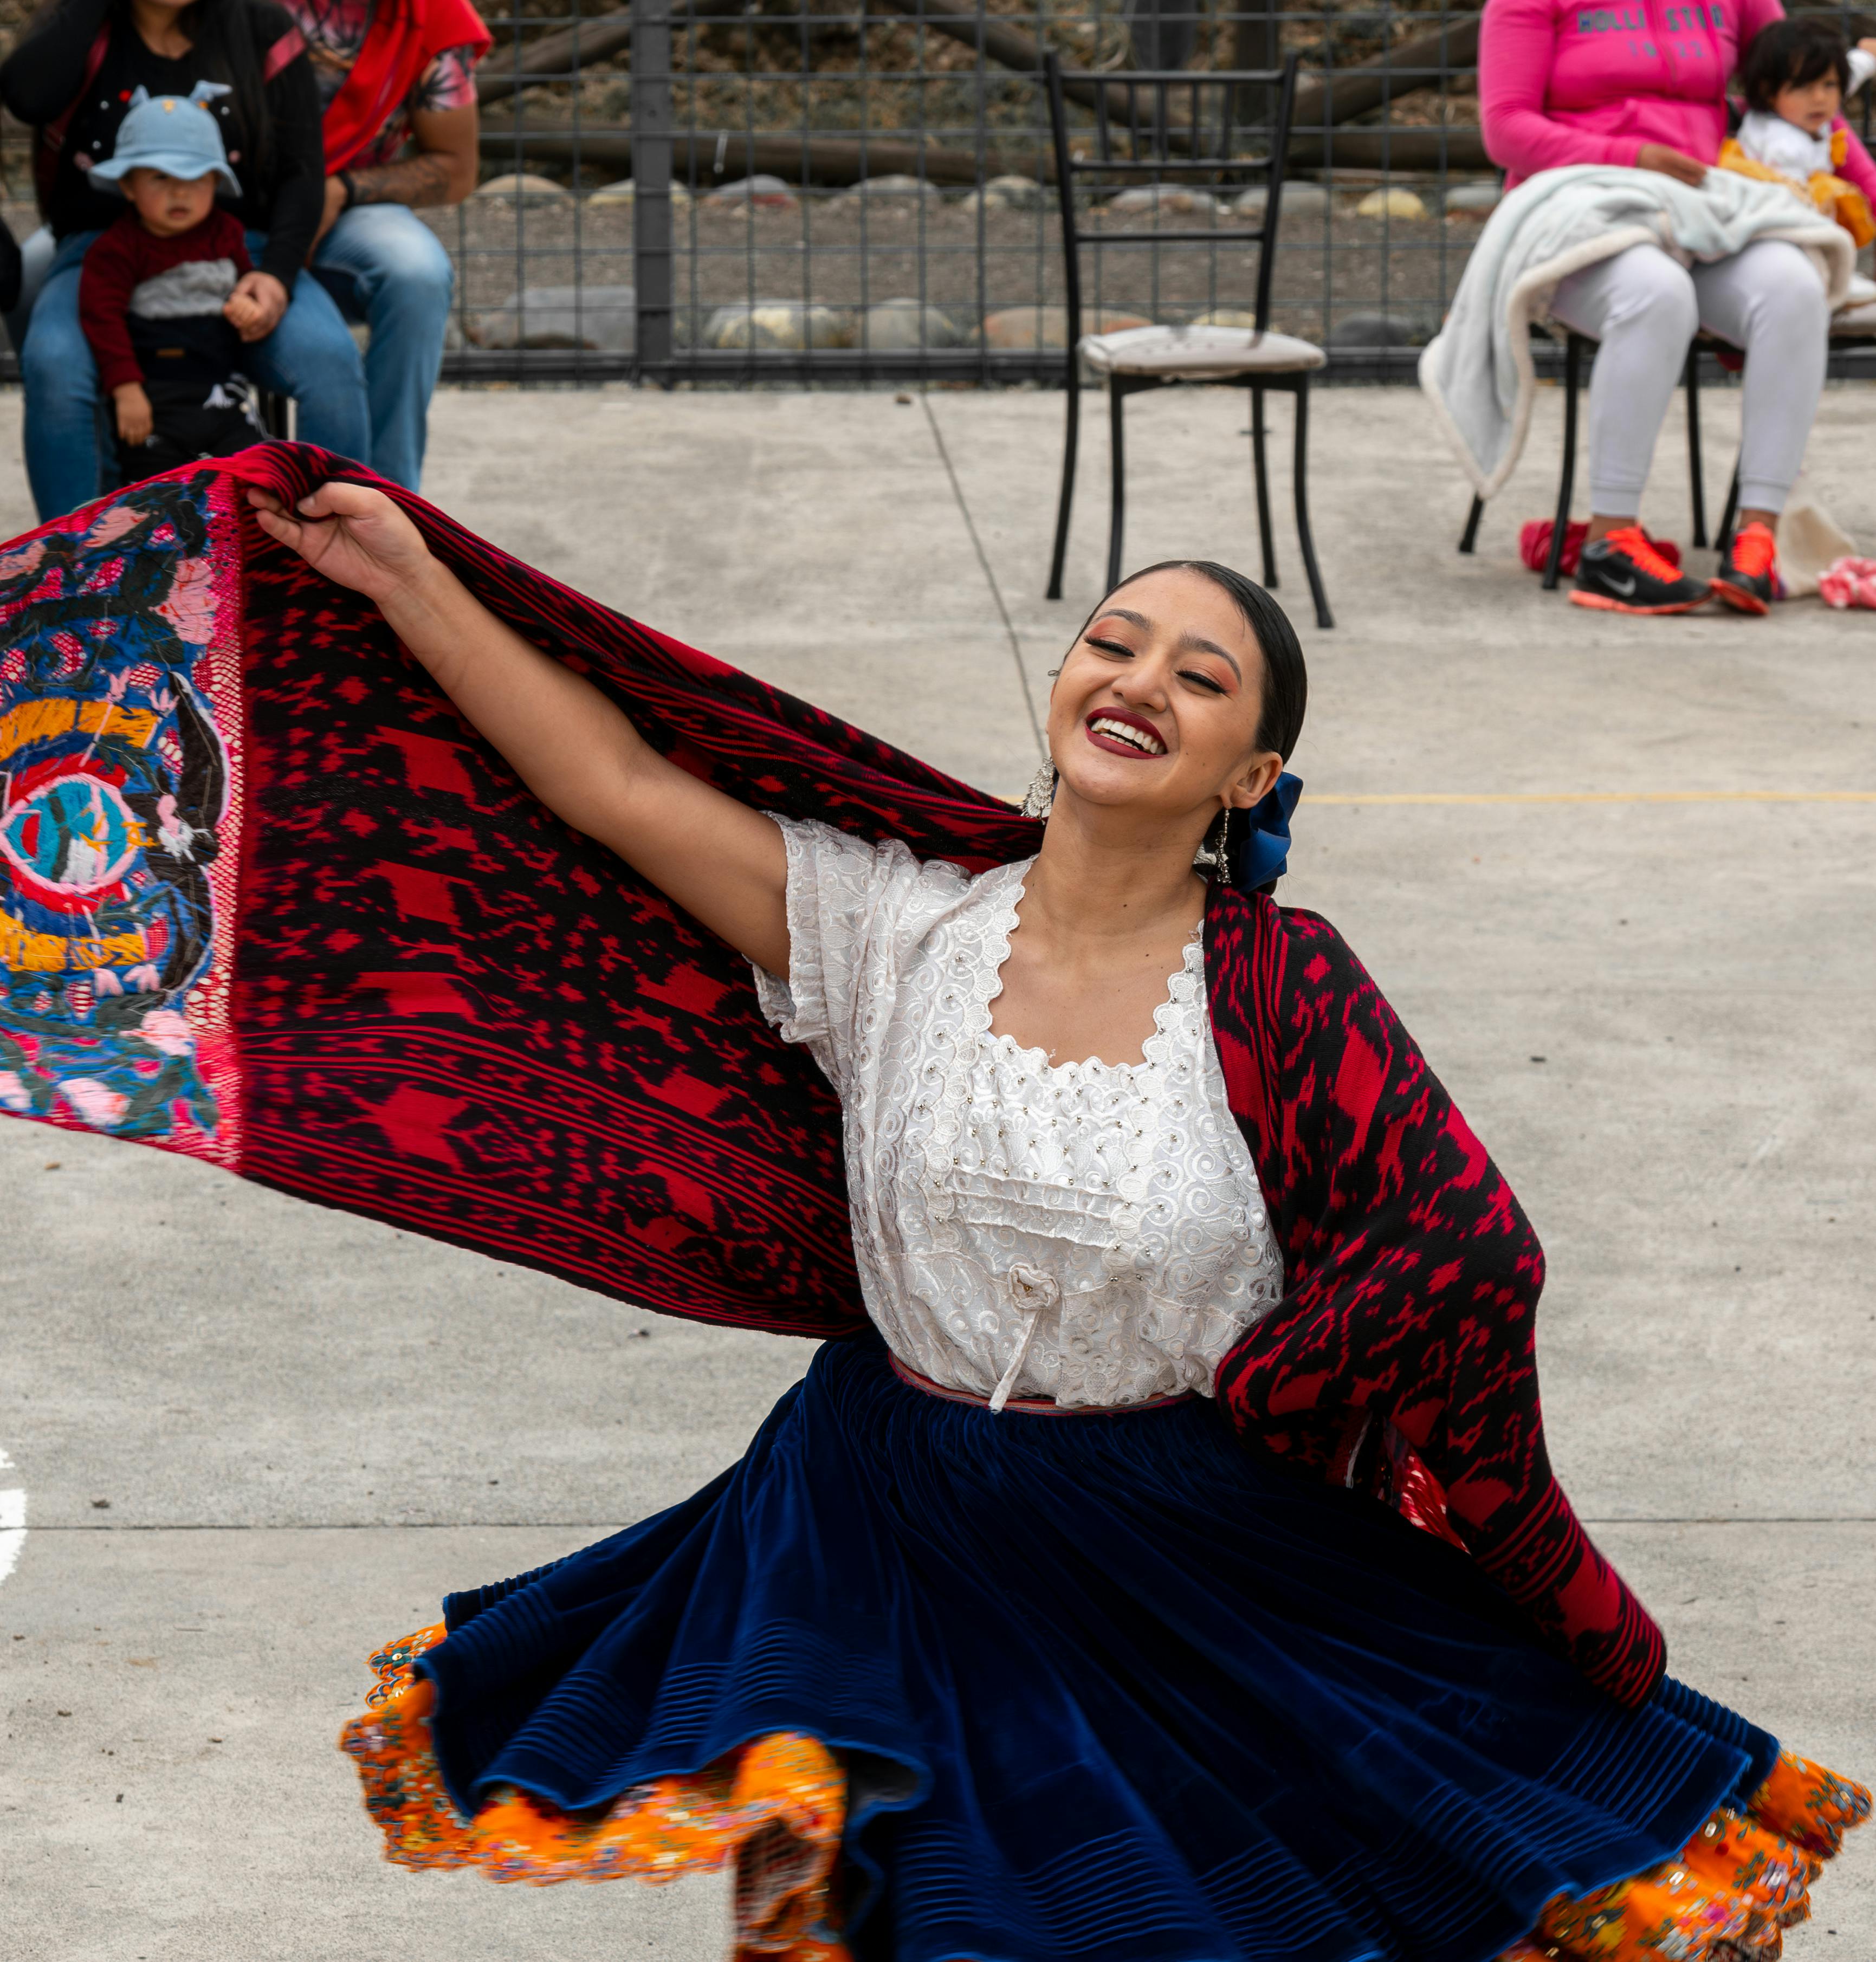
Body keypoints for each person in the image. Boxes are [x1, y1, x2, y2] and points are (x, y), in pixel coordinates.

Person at [240, 468, 1868, 1962]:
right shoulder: (893, 932)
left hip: (1173, 1545)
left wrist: (1283, 1387)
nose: (1138, 682)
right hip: (882, 1526)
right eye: (1115, 641)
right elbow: (610, 782)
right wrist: (405, 577)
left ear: (1250, 773)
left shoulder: (1278, 985)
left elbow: (1461, 1246)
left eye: (1197, 675)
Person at [1479, 0, 1876, 618]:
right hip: (1583, 207)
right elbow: (1505, 128)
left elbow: (1794, 86)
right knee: (1657, 292)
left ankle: (1759, 538)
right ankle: (1612, 546)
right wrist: (1632, 157)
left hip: (1707, 207)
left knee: (1795, 286)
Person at [0, 0, 371, 521]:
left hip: (240, 251)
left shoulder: (263, 27)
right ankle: (74, 572)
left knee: (331, 362)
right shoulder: (86, 27)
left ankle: (341, 555)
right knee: (55, 365)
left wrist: (277, 276)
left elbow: (302, 171)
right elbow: (25, 95)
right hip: (100, 251)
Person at [286, 0, 490, 490]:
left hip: (343, 200)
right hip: (220, 197)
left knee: (417, 273)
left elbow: (457, 170)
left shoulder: (437, 17)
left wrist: (341, 191)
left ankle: (389, 500)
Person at [80, 86, 268, 481]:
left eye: (197, 178)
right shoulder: (117, 248)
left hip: (224, 392)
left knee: (255, 474)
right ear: (128, 186)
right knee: (153, 490)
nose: (180, 191)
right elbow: (102, 318)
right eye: (160, 177)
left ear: (217, 182)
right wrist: (126, 389)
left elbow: (243, 280)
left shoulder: (228, 233)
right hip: (153, 399)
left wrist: (246, 303)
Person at [1720, 16, 1876, 247]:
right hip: (1782, 235)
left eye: (1829, 84)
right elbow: (1795, 210)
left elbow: (1847, 75)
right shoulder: (1783, 145)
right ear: (1768, 91)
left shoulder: (1802, 111)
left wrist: (1868, 56)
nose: (1820, 98)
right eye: (1804, 87)